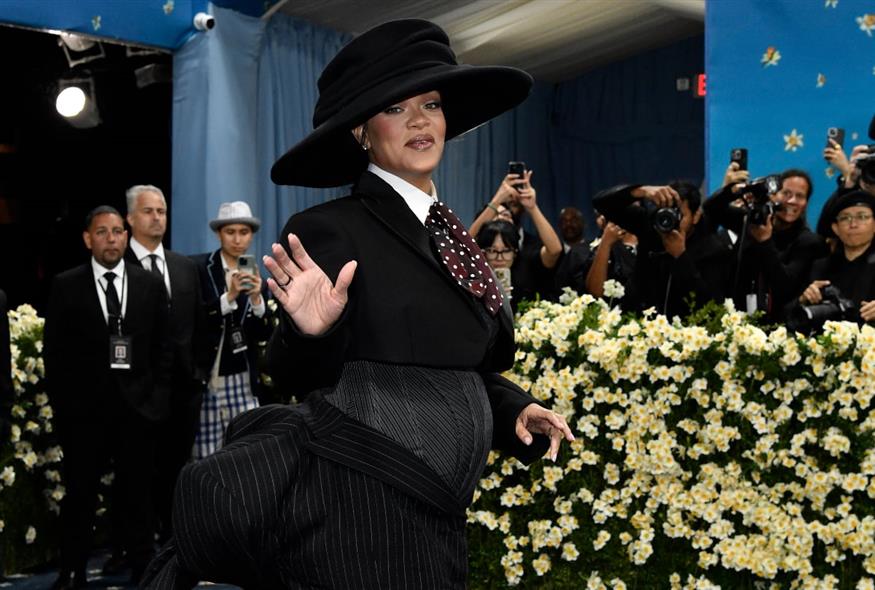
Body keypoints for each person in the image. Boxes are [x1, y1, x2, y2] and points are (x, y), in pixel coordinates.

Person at [143, 19, 573, 589]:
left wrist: (511, 408)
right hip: (363, 513)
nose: (419, 120)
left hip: (439, 513)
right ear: (362, 134)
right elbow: (297, 375)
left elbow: (447, 362)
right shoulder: (328, 230)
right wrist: (310, 331)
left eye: (431, 104)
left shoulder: (451, 232)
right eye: (395, 109)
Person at [44, 206, 171, 589]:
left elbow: (163, 349)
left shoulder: (149, 284)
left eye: (117, 231)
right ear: (88, 239)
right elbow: (55, 355)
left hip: (139, 411)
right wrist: (66, 411)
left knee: (138, 495)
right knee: (80, 495)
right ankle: (72, 571)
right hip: (85, 416)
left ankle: (143, 569)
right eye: (102, 232)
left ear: (126, 237)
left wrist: (155, 402)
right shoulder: (66, 285)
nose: (111, 238)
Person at [120, 185, 207, 548]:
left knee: (176, 473)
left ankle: (174, 546)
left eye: (162, 211)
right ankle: (133, 550)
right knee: (134, 477)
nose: (157, 218)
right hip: (136, 394)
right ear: (130, 218)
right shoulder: (116, 267)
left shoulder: (185, 266)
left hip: (184, 391)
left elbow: (199, 324)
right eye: (148, 211)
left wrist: (198, 374)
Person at [190, 201, 272, 459]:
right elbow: (194, 320)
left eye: (244, 232)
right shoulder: (200, 268)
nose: (237, 239)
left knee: (246, 452)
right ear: (219, 234)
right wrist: (229, 297)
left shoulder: (255, 274)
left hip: (243, 377)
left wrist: (257, 299)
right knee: (207, 456)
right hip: (209, 377)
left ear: (251, 235)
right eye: (230, 232)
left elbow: (263, 334)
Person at [593, 181, 731, 318]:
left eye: (679, 215)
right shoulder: (649, 224)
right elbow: (601, 203)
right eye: (666, 211)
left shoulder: (712, 249)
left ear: (695, 216)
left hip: (686, 328)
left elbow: (709, 306)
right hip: (641, 323)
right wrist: (640, 191)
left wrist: (680, 256)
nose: (670, 220)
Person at [705, 168, 826, 321]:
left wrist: (765, 242)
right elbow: (711, 208)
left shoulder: (808, 242)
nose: (792, 201)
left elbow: (785, 287)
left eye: (800, 196)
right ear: (773, 195)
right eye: (786, 193)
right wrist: (733, 190)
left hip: (779, 325)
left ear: (806, 203)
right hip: (737, 318)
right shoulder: (752, 222)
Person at [788, 190, 875, 331]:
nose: (853, 224)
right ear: (835, 228)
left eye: (862, 217)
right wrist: (803, 300)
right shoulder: (820, 267)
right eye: (845, 218)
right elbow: (787, 316)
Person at [475, 220, 520, 306]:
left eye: (506, 251)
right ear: (483, 253)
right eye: (492, 251)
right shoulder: (475, 283)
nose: (499, 258)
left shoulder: (525, 280)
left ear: (515, 253)